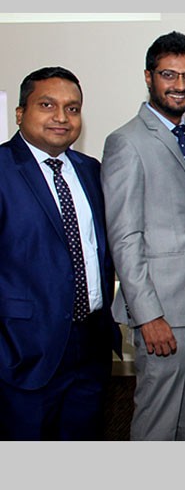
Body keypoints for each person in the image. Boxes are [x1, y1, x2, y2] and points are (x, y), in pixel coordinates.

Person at [102, 31, 185, 441]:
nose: (180, 85)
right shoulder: (126, 142)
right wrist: (148, 315)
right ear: (148, 77)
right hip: (160, 310)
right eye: (169, 75)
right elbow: (124, 237)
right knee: (158, 416)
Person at [0, 67, 122, 440]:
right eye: (47, 105)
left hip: (91, 344)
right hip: (23, 350)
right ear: (20, 113)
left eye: (72, 108)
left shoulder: (90, 171)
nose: (61, 117)